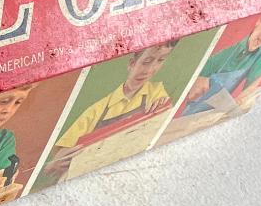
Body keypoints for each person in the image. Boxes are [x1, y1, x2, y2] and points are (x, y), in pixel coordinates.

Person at [42, 41, 176, 180]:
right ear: (131, 64)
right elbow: (55, 161)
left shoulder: (156, 93)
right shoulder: (96, 110)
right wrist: (57, 163)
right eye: (146, 61)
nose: (150, 70)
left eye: (160, 61)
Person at [182, 6, 261, 115]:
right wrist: (197, 81)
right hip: (192, 114)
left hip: (216, 115)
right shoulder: (229, 47)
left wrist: (240, 103)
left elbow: (252, 87)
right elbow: (192, 81)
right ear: (260, 20)